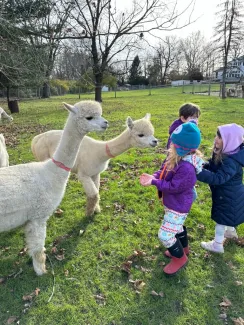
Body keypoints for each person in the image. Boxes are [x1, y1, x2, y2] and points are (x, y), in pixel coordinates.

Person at [140, 122, 204, 276]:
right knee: (177, 227)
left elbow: (174, 186)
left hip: (179, 206)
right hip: (172, 203)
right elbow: (163, 170)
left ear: (181, 147)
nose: (170, 146)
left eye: (173, 143)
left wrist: (155, 182)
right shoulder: (176, 158)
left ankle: (180, 258)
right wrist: (153, 176)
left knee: (165, 235)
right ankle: (184, 248)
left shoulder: (187, 168)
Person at [197, 123, 244, 253]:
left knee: (221, 219)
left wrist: (198, 172)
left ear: (230, 141)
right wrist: (202, 164)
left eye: (220, 137)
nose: (216, 139)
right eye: (217, 135)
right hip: (229, 194)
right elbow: (213, 167)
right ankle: (231, 233)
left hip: (229, 196)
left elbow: (218, 178)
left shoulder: (231, 161)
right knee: (229, 216)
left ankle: (217, 245)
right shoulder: (225, 153)